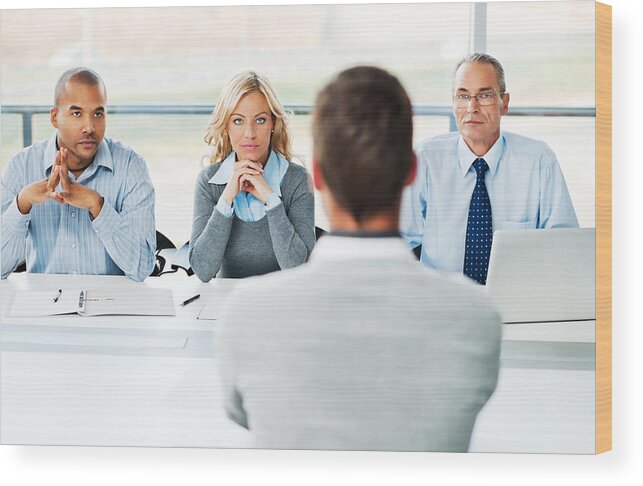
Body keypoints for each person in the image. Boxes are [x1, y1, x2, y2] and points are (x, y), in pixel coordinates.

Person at [217, 66, 501, 452]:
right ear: (411, 171)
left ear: (316, 175)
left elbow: (243, 414)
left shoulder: (247, 314)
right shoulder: (476, 316)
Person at [400, 53, 579, 284]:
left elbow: (565, 245)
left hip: (518, 301)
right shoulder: (426, 159)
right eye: (463, 96)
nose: (471, 107)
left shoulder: (539, 160)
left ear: (504, 103)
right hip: (443, 304)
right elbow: (400, 243)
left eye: (484, 95)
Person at [1, 67, 156, 281]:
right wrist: (22, 204)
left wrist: (98, 206)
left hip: (112, 308)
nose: (89, 127)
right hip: (42, 306)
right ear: (55, 117)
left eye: (98, 113)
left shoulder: (131, 166)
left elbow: (142, 268)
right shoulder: (21, 166)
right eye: (76, 113)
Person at [189, 72, 315, 281]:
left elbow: (299, 270)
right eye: (238, 120)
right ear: (226, 126)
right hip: (224, 306)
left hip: (281, 303)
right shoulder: (209, 182)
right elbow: (202, 271)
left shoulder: (298, 180)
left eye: (260, 120)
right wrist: (226, 198)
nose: (249, 133)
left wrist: (271, 199)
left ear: (273, 123)